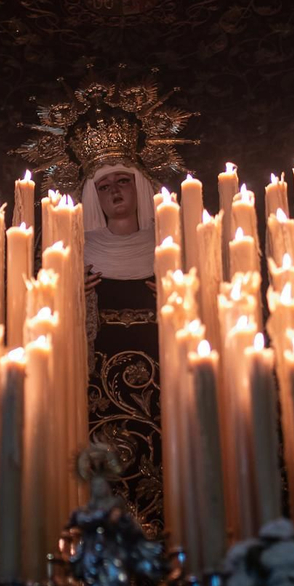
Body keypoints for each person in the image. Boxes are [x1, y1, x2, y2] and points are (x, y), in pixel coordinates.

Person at [79, 162, 164, 537]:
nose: (115, 192)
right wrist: (70, 296)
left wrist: (177, 295)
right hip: (99, 386)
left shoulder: (167, 244)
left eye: (123, 182)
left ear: (140, 187)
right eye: (104, 186)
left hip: (161, 380)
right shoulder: (81, 251)